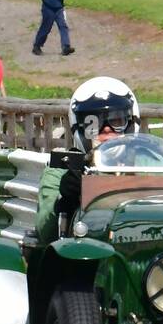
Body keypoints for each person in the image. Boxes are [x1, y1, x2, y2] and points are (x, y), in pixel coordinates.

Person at [35, 76, 141, 244]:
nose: (107, 131)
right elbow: (44, 230)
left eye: (116, 121)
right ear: (79, 126)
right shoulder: (61, 169)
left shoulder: (150, 166)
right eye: (94, 123)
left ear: (130, 122)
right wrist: (65, 201)